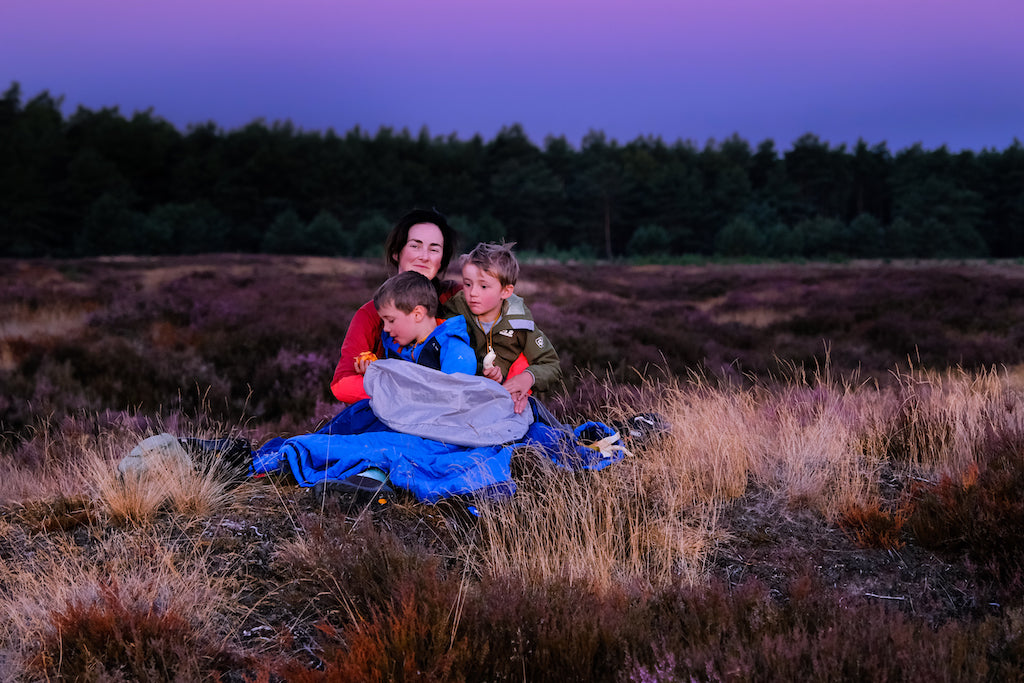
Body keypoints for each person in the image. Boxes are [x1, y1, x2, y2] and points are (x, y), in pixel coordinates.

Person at [330, 209, 459, 403]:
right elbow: (343, 383)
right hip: (397, 415)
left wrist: (523, 375)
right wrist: (404, 394)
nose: (424, 256)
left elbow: (511, 320)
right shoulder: (371, 314)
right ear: (396, 252)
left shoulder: (457, 297)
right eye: (415, 246)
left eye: (434, 249)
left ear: (442, 260)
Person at [443, 242, 561, 413]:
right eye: (468, 284)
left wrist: (527, 378)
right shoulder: (455, 310)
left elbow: (550, 364)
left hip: (504, 400)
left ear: (505, 292)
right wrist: (482, 372)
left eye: (483, 286)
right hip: (459, 397)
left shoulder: (520, 324)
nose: (473, 292)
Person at [364, 270, 476, 374]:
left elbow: (456, 391)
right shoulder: (400, 345)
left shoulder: (453, 350)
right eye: (383, 322)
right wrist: (371, 370)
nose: (385, 329)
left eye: (391, 320)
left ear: (417, 314)